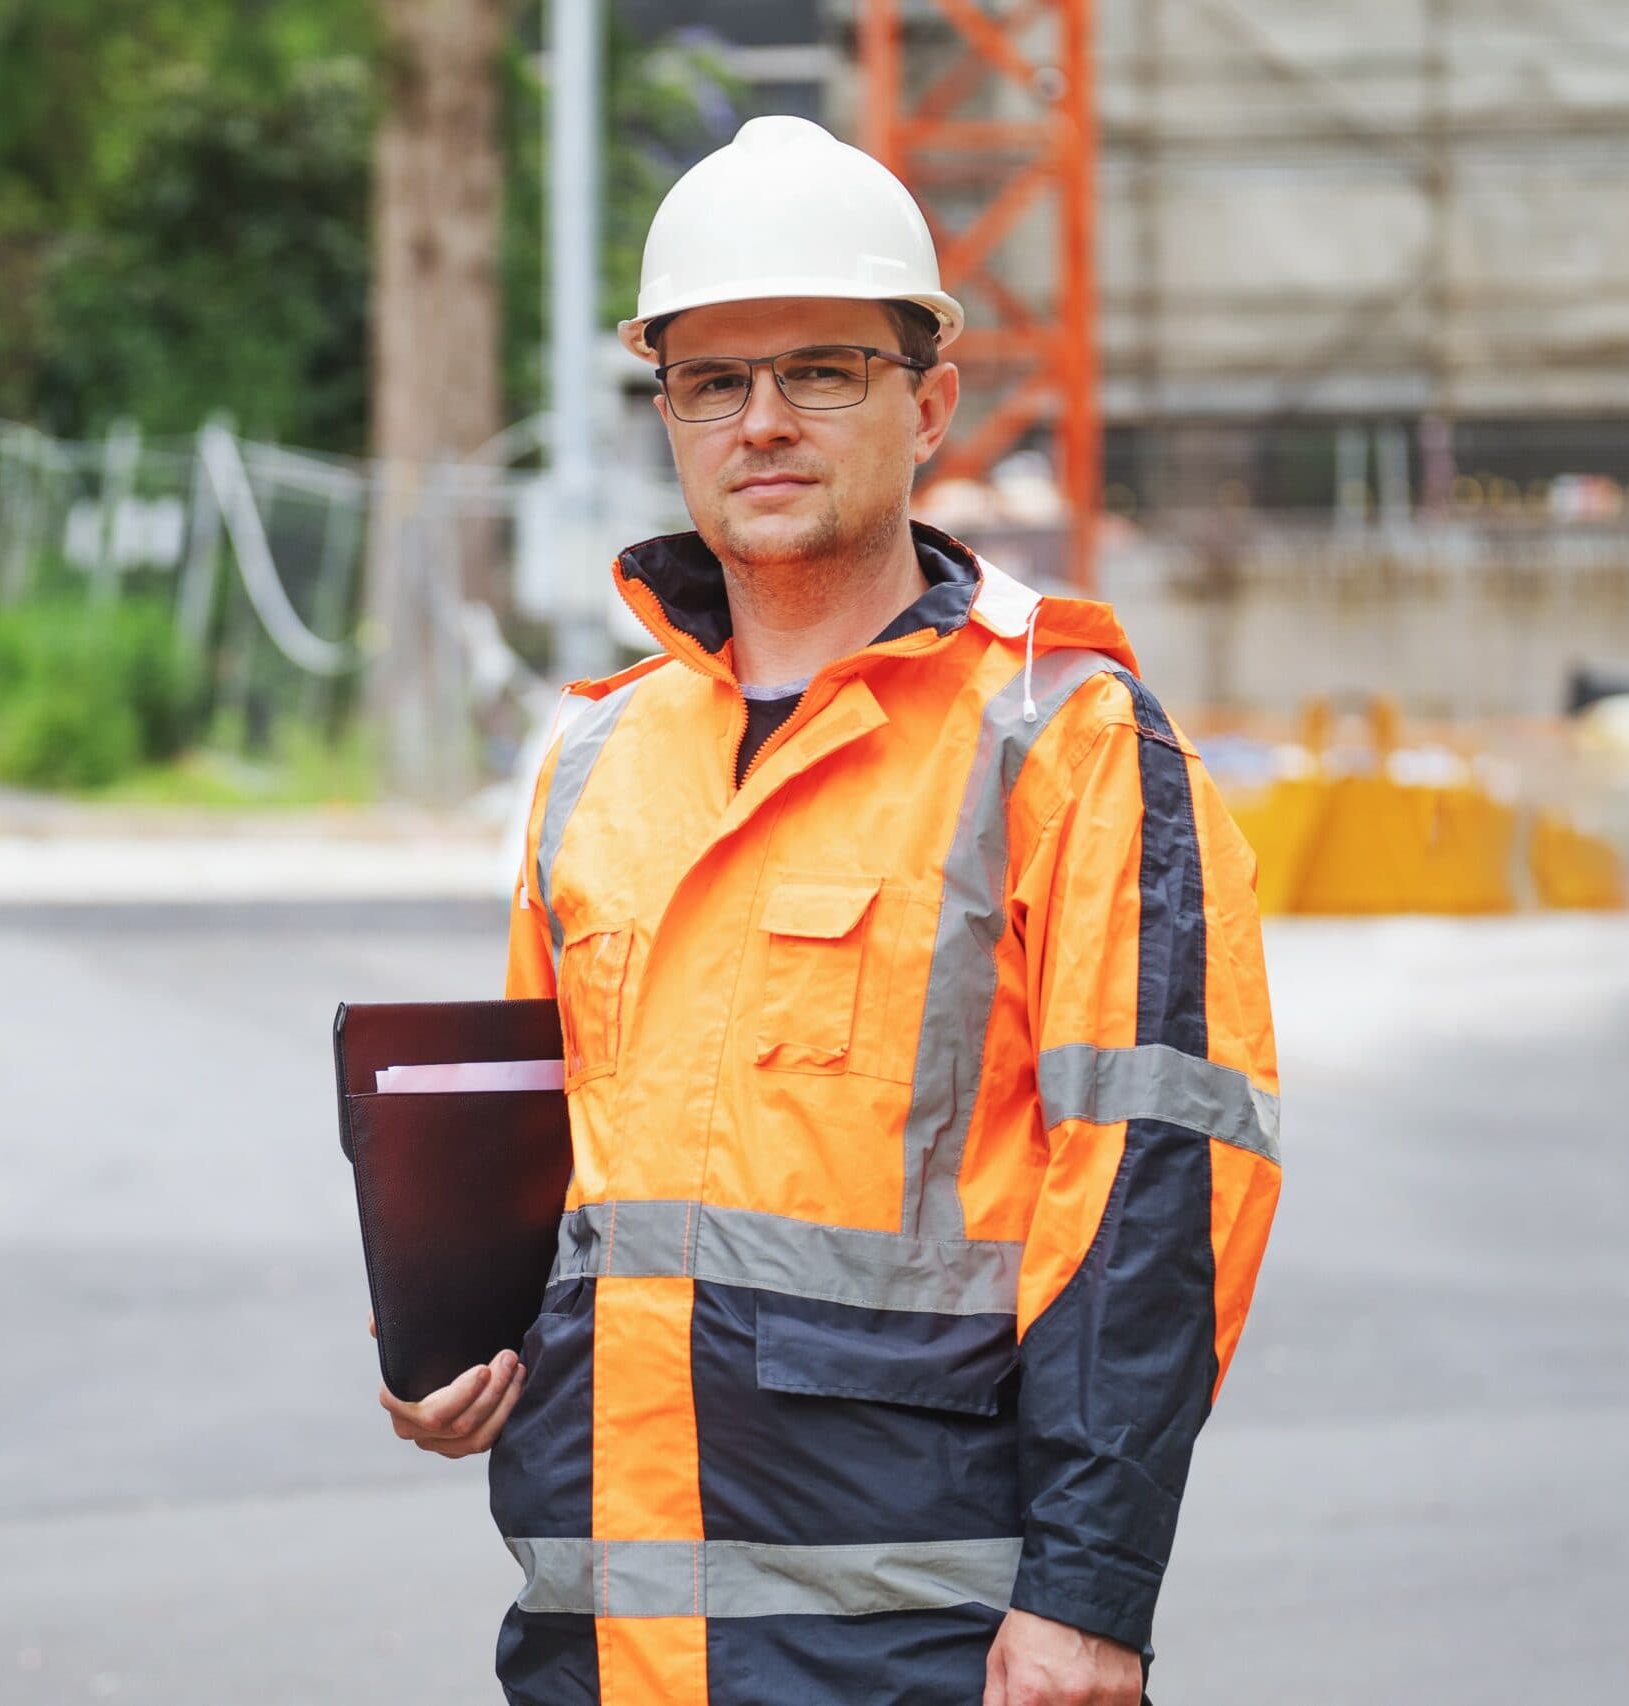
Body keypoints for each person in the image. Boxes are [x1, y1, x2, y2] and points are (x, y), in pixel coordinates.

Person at [381, 115, 1282, 1706]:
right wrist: (452, 1341)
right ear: (668, 411)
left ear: (929, 403)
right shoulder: (593, 756)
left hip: (919, 1641)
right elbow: (545, 1165)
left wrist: (1092, 1591)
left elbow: (1155, 1190)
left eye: (822, 370)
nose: (763, 420)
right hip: (597, 1636)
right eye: (712, 380)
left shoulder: (1066, 744)